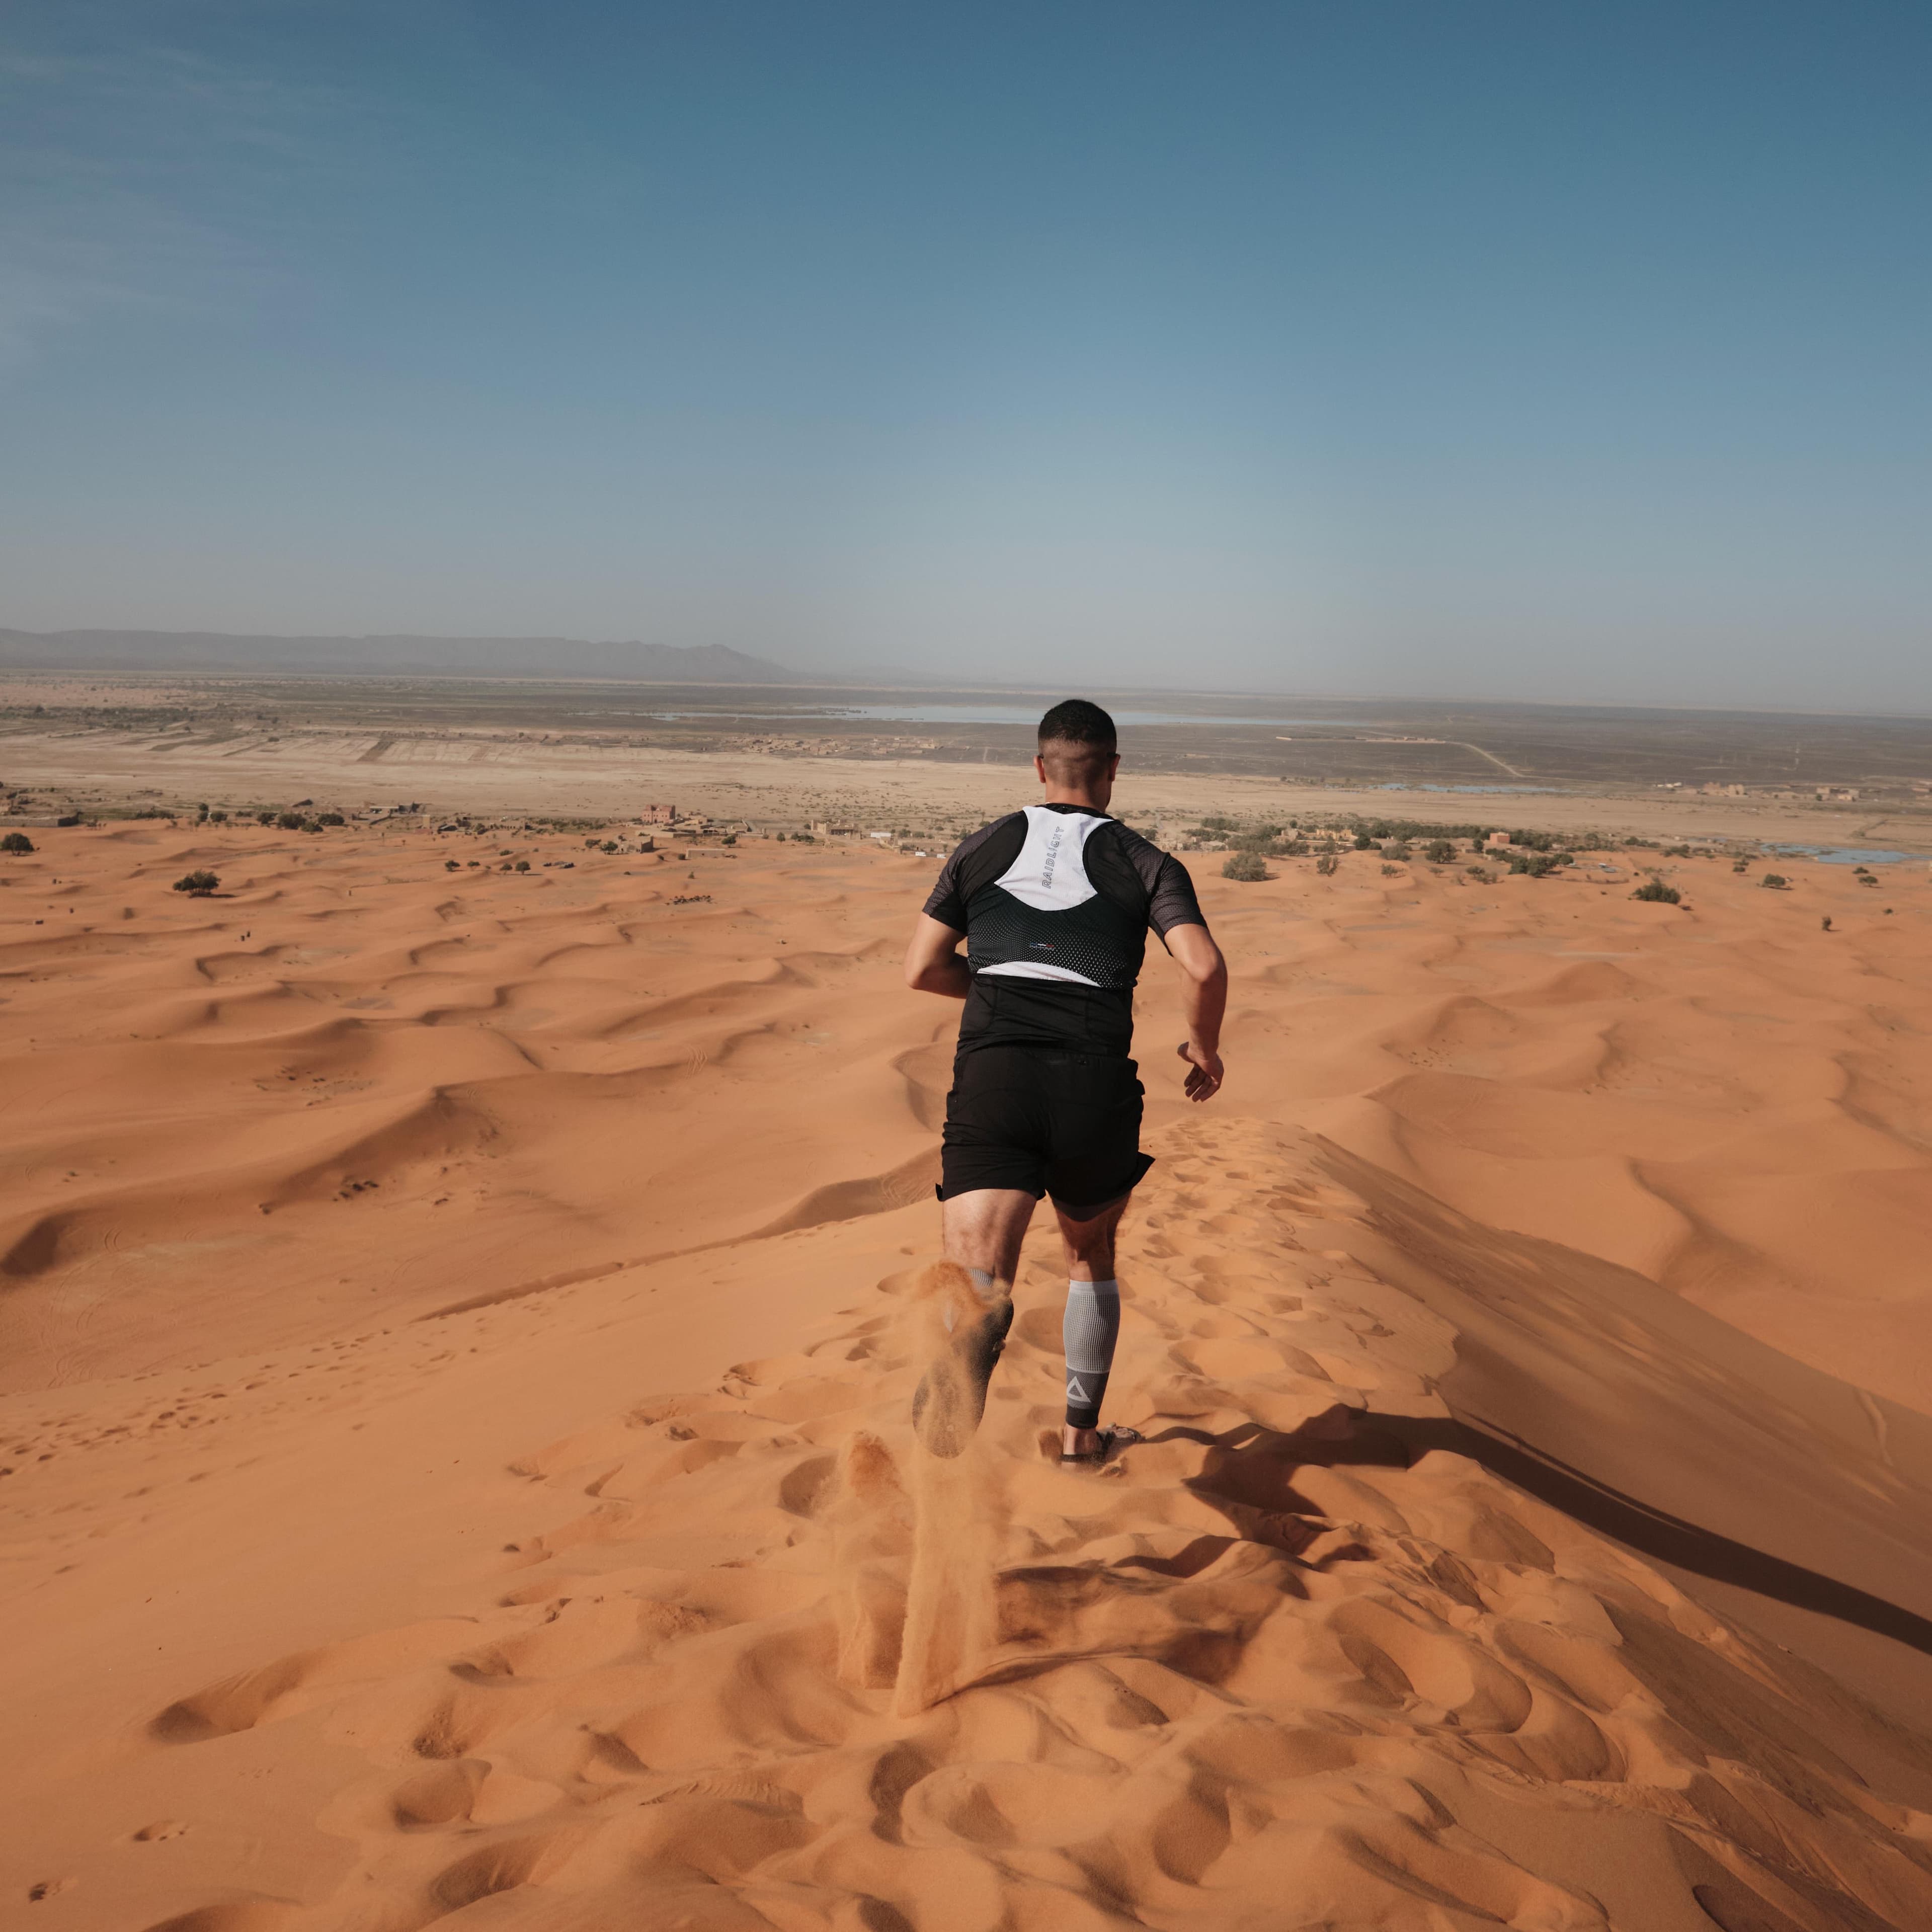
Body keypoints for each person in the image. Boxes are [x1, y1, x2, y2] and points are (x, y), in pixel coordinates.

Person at [902, 698, 1227, 1463]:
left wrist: (992, 988)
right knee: (1091, 1253)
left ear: (1039, 768)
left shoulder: (981, 847)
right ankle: (1082, 1441)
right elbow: (1205, 967)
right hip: (1093, 1084)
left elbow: (921, 969)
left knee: (978, 1272)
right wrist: (1203, 1048)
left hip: (996, 1075)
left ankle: (966, 1355)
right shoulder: (1147, 862)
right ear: (1113, 770)